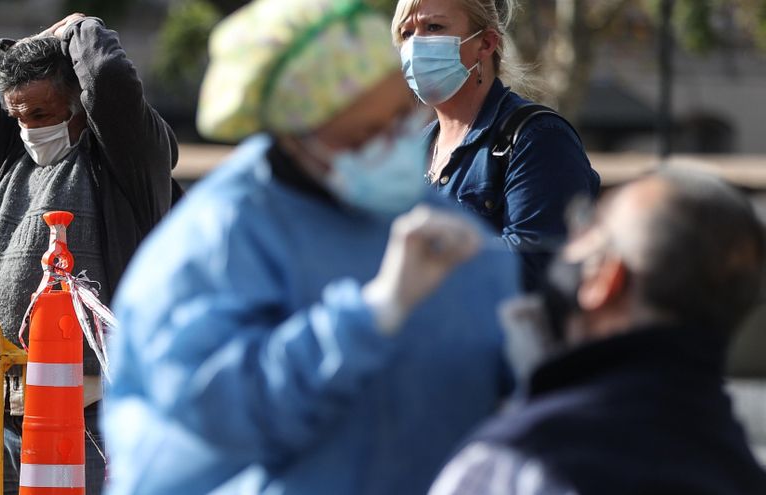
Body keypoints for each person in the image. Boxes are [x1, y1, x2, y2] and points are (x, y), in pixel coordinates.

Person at [102, 0, 519, 493]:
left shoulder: (407, 204)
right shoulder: (218, 237)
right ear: (295, 136)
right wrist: (367, 317)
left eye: (398, 120)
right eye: (364, 133)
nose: (391, 145)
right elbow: (214, 411)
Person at [0, 12, 178, 495]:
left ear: (80, 105)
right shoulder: (10, 154)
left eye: (41, 115)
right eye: (18, 116)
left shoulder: (125, 160)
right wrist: (32, 45)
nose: (28, 128)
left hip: (88, 410)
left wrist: (79, 31)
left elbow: (108, 77)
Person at [429, 170, 766, 495]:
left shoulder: (515, 464)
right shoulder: (741, 470)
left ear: (605, 279)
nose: (567, 247)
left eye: (586, 228)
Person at [392, 0, 600, 290]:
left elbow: (540, 263)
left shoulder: (537, 136)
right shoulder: (408, 149)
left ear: (486, 43)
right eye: (406, 33)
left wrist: (430, 259)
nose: (415, 46)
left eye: (434, 27)